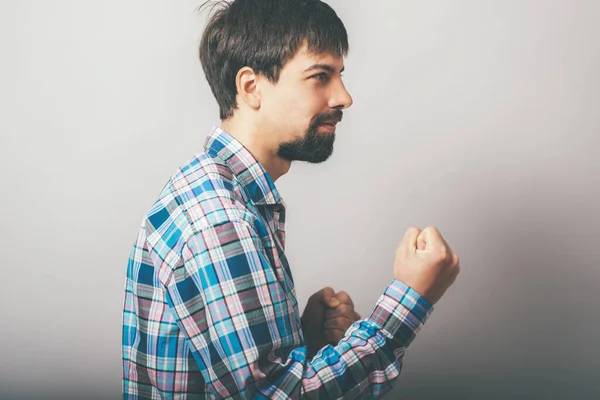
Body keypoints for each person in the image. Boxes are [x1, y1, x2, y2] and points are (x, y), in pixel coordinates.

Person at [122, 0, 460, 398]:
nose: (344, 97)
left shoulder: (221, 193)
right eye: (320, 76)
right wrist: (411, 298)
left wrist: (304, 339)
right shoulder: (218, 221)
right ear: (251, 87)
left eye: (340, 75)